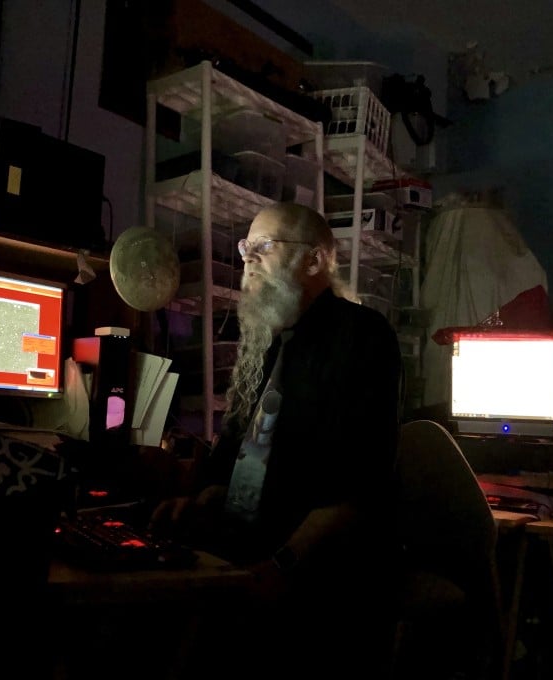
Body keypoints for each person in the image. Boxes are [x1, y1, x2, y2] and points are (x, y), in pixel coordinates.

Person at [148, 202, 404, 679]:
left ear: (314, 260)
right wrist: (207, 497)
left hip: (322, 567)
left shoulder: (363, 336)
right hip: (255, 546)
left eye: (264, 247)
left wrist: (280, 565)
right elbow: (260, 461)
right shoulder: (270, 339)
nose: (248, 259)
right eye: (247, 248)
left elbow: (357, 487)